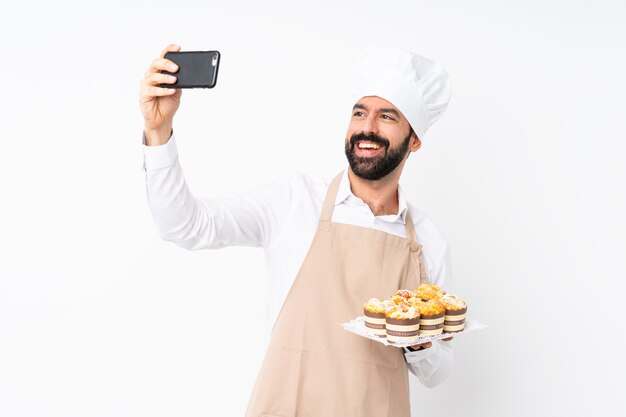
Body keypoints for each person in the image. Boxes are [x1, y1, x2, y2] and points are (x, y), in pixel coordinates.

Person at [140, 43, 454, 417]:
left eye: (387, 116)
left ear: (414, 139)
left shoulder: (427, 242)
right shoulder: (295, 201)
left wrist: (420, 342)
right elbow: (185, 226)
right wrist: (158, 132)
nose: (367, 127)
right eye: (359, 112)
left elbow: (439, 372)